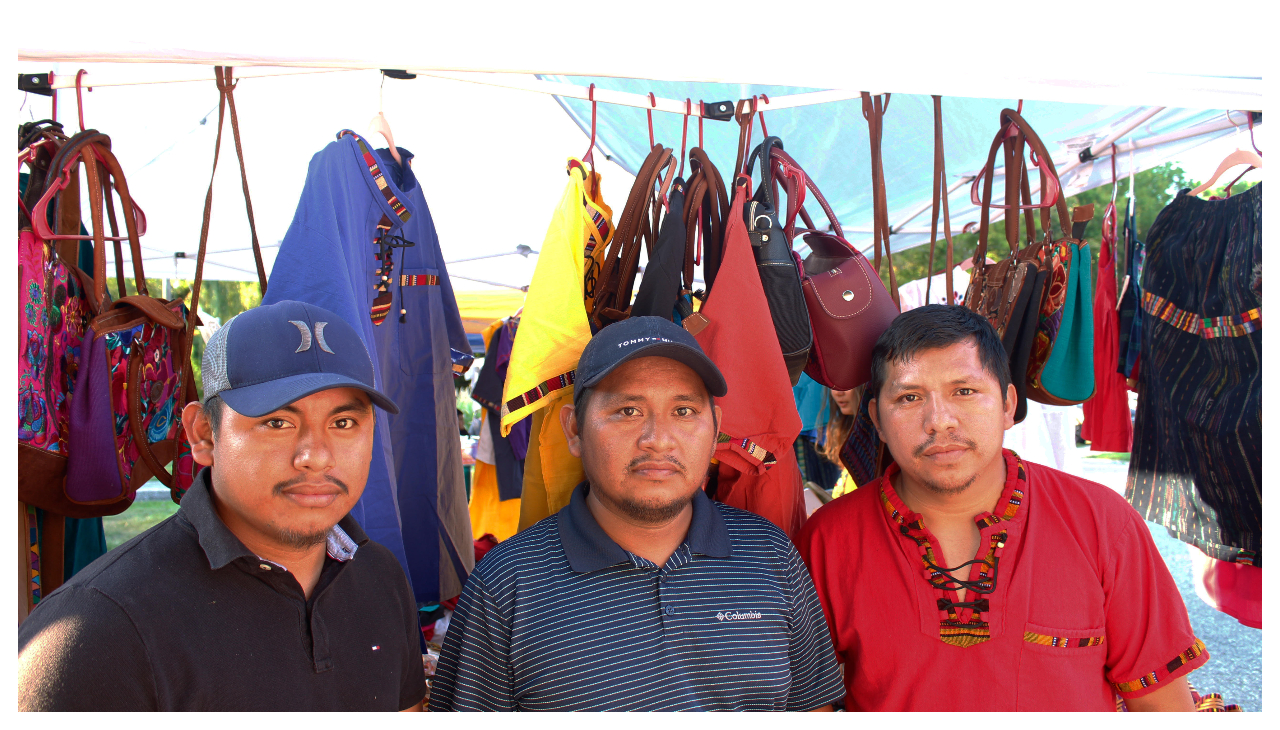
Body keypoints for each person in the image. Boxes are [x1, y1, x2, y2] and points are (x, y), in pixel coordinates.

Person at [18, 300, 426, 711]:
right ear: (203, 435)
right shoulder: (94, 632)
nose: (316, 456)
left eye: (343, 423)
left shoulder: (381, 579)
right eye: (277, 422)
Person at [797, 305, 1206, 712]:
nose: (940, 420)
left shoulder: (1101, 523)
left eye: (965, 391)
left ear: (1009, 404)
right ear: (877, 421)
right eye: (909, 397)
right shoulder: (827, 542)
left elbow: (1163, 705)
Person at [429, 316, 845, 711]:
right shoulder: (508, 583)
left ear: (716, 426)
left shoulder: (769, 555)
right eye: (628, 411)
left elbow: (813, 710)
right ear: (574, 430)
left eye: (684, 411)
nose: (658, 440)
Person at [820, 386, 862, 498]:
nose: (838, 392)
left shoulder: (874, 446)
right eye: (833, 385)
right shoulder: (848, 435)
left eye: (847, 385)